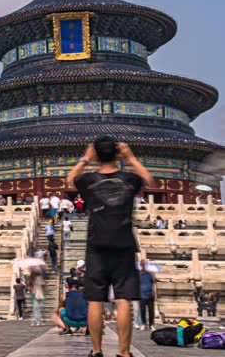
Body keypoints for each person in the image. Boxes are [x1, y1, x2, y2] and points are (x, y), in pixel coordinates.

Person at [67, 136, 154, 357]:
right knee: (123, 299)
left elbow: (70, 181)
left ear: (96, 155)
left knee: (95, 300)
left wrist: (85, 159)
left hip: (96, 246)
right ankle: (124, 353)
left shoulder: (87, 180)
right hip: (124, 245)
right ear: (117, 155)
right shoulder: (130, 178)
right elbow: (150, 181)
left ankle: (97, 351)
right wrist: (131, 157)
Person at [138, 260, 156, 330]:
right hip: (141, 294)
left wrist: (155, 293)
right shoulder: (139, 274)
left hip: (150, 294)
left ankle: (151, 324)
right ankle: (143, 323)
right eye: (143, 265)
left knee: (151, 311)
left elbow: (154, 284)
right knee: (143, 310)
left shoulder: (150, 274)